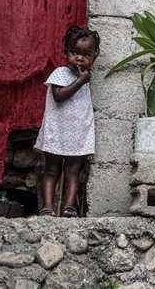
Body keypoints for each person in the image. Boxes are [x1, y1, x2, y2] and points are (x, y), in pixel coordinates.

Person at [34, 25, 101, 218]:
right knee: (52, 169)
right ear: (65, 53)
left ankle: (69, 207)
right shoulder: (60, 73)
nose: (79, 58)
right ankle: (47, 207)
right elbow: (59, 96)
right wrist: (80, 81)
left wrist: (83, 79)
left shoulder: (85, 77)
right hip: (58, 131)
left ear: (94, 57)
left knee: (73, 171)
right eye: (74, 52)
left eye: (86, 54)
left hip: (78, 132)